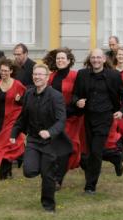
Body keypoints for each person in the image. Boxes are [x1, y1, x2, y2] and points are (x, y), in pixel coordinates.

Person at [10, 64, 72, 212]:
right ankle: (45, 168)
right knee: (29, 171)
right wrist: (14, 133)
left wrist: (50, 132)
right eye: (35, 74)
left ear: (47, 77)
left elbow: (61, 120)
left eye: (40, 75)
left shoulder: (56, 96)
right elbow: (22, 118)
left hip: (50, 141)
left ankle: (49, 206)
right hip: (33, 140)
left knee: (47, 175)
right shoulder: (29, 94)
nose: (37, 77)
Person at [73, 48, 123, 194]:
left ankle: (90, 186)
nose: (96, 60)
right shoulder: (82, 74)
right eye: (93, 58)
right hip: (88, 118)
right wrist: (78, 101)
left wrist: (121, 111)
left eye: (98, 58)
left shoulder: (114, 75)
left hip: (105, 118)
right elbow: (75, 95)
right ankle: (116, 157)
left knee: (96, 152)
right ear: (90, 59)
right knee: (90, 152)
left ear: (104, 59)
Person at [43, 47, 83, 188]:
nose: (60, 60)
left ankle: (58, 179)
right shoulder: (52, 76)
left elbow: (79, 94)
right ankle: (54, 176)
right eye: (58, 58)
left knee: (66, 148)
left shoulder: (75, 75)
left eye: (63, 58)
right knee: (54, 148)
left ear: (69, 60)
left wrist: (76, 105)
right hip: (54, 118)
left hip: (71, 118)